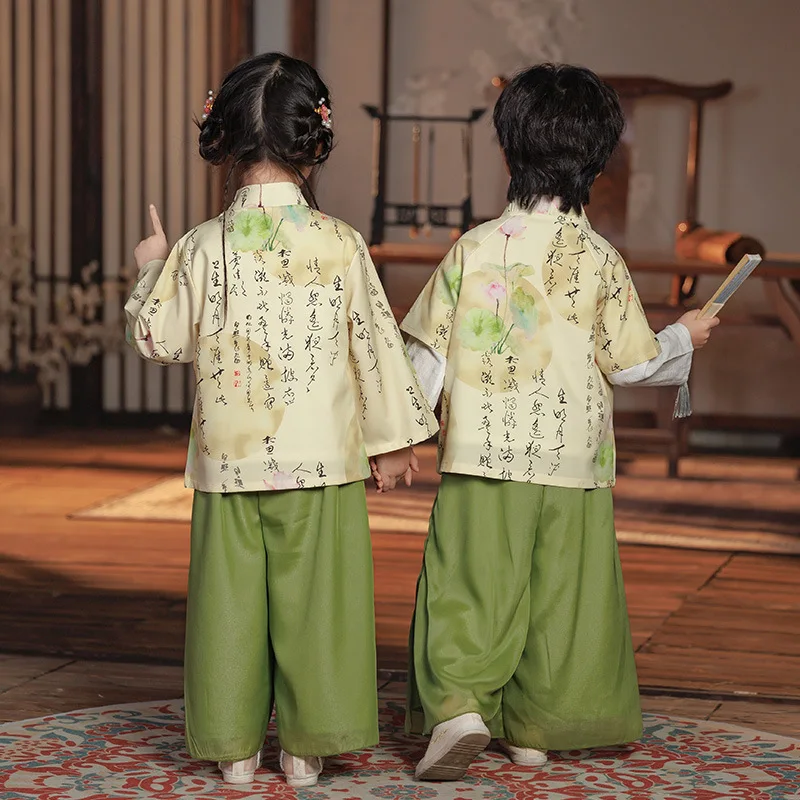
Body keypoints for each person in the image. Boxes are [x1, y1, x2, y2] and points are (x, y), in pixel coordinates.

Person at [379, 63, 719, 781]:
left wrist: (405, 435)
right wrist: (685, 336)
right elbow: (632, 365)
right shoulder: (601, 258)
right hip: (573, 463)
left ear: (508, 150)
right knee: (559, 594)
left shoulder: (474, 250)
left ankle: (462, 707)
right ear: (600, 159)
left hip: (482, 454)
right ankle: (534, 731)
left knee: (470, 583)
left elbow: (425, 358)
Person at [124, 52, 437, 788]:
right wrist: (393, 443)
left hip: (227, 463)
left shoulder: (200, 246)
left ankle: (233, 750)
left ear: (224, 141)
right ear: (314, 140)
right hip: (321, 461)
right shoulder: (339, 243)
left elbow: (158, 340)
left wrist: (150, 262)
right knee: (317, 604)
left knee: (228, 607)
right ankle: (307, 747)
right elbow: (373, 344)